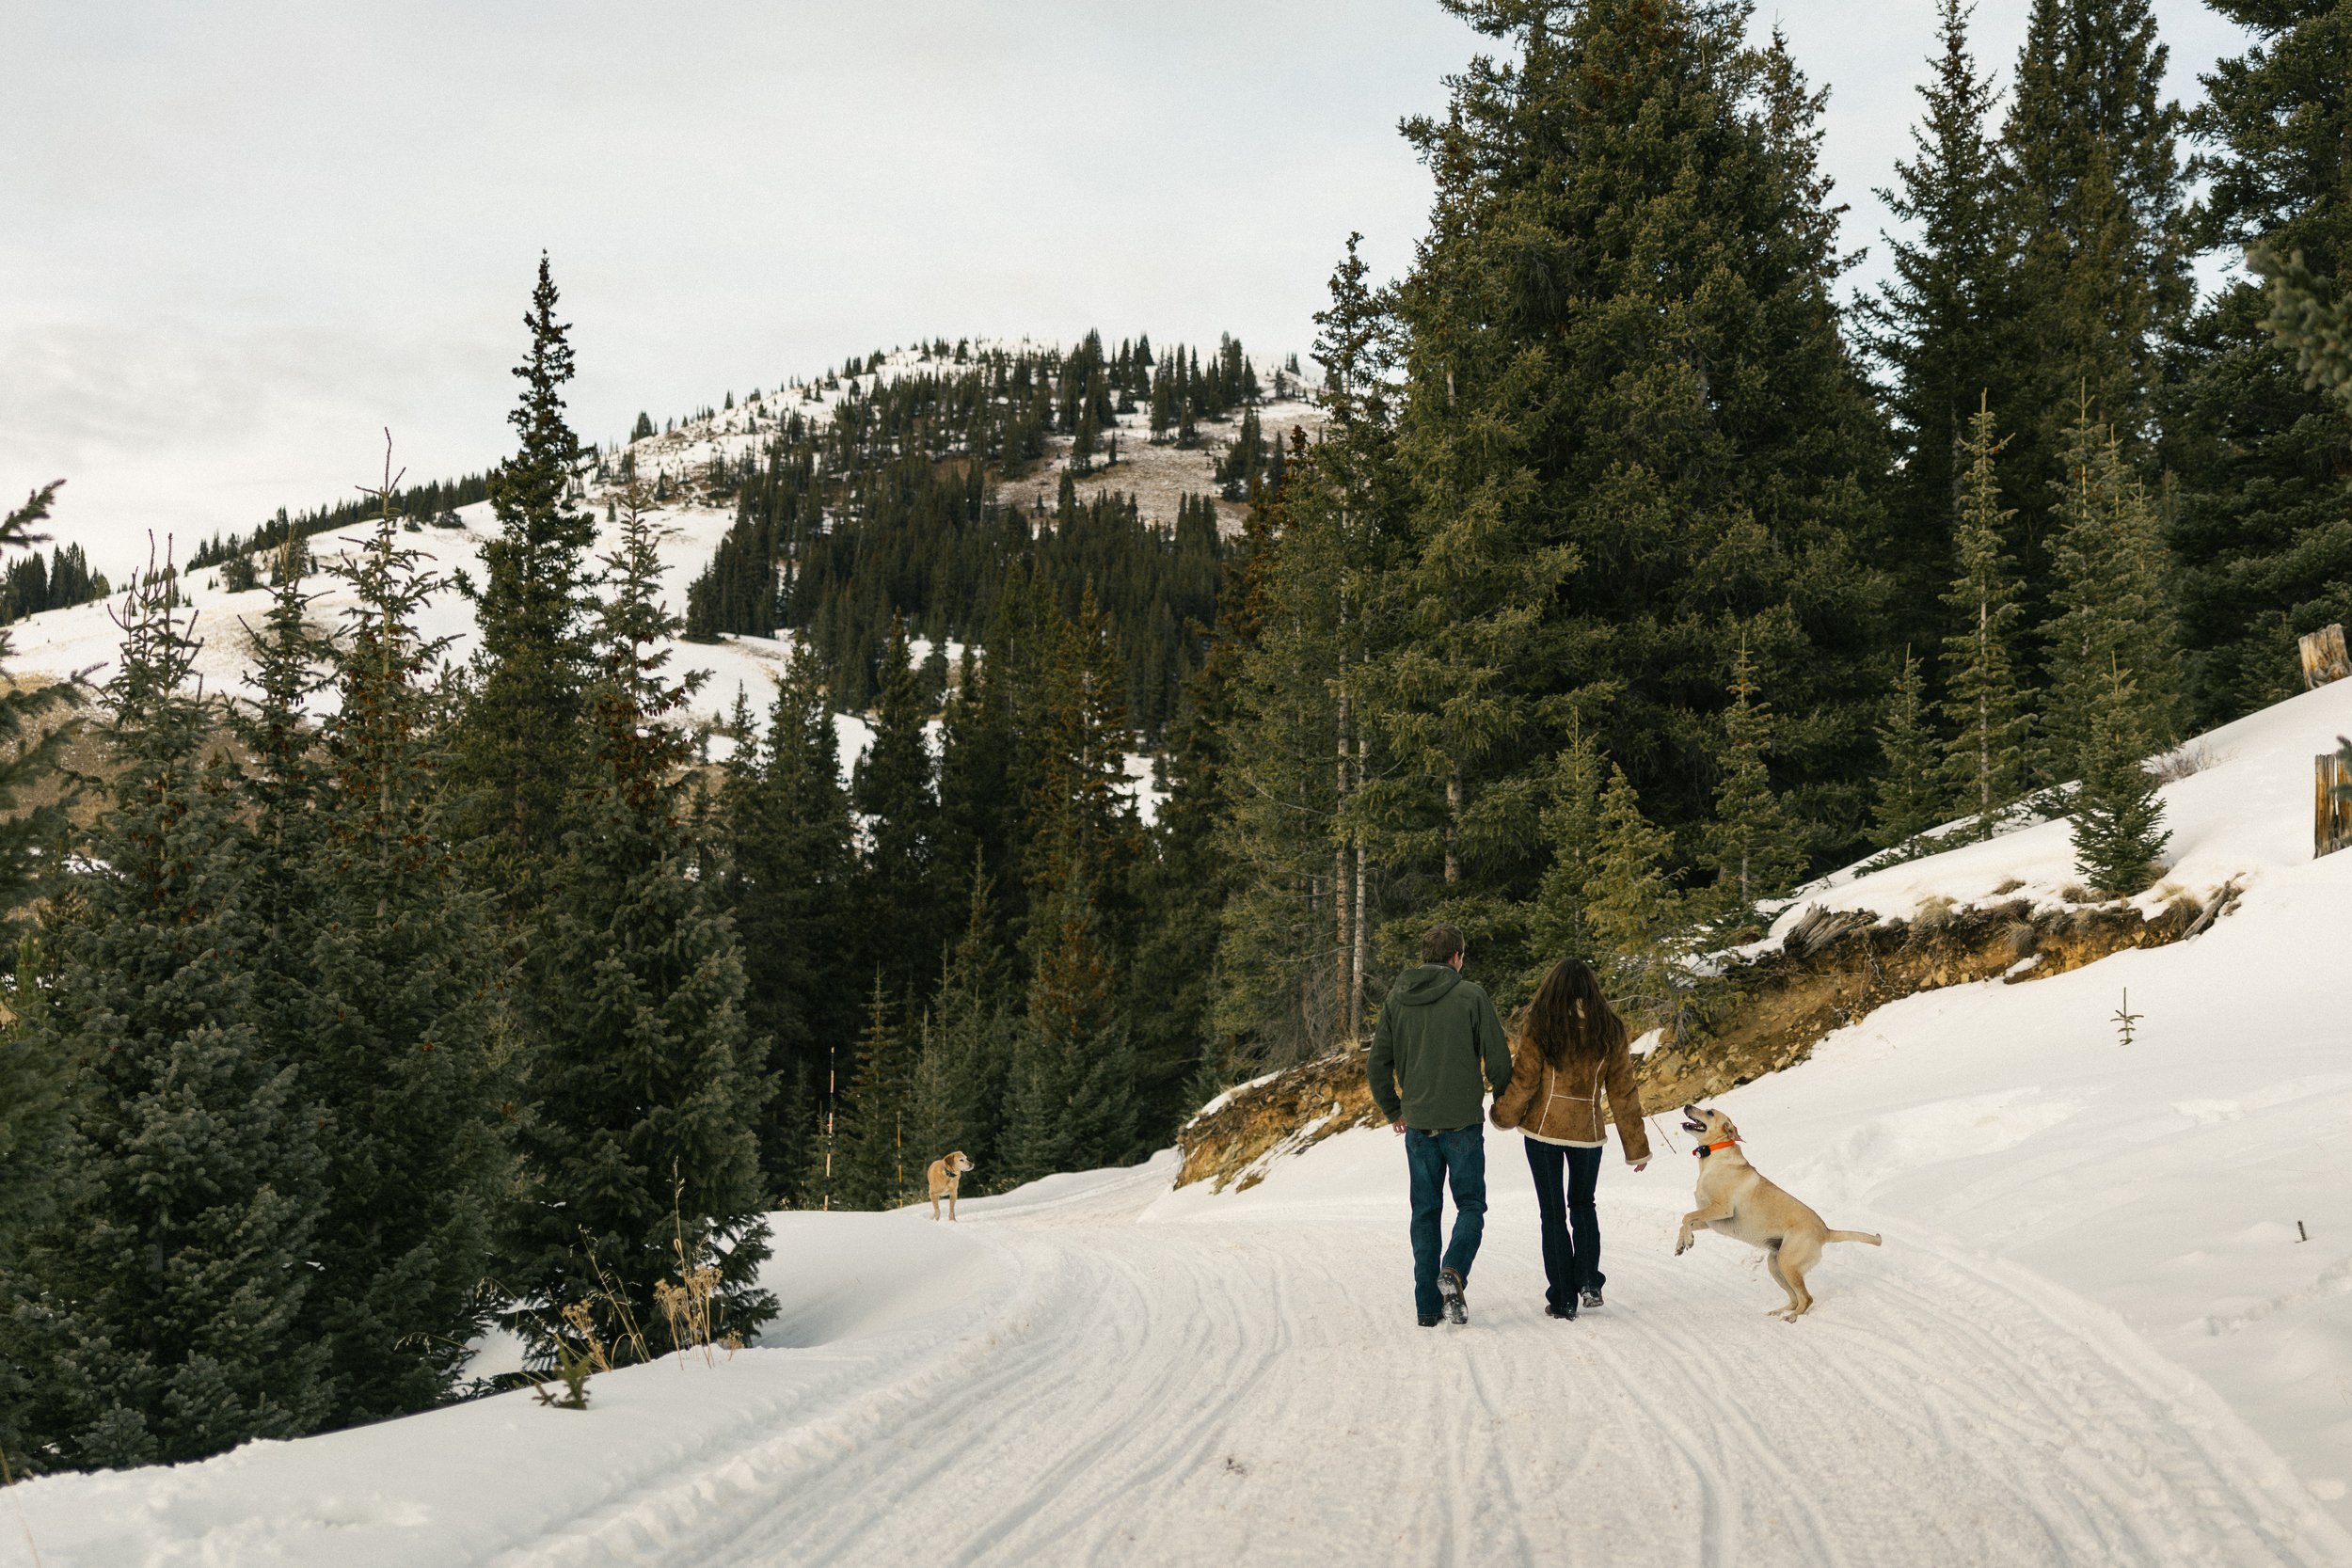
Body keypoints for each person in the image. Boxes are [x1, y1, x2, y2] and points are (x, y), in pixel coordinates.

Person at [1366, 922, 1513, 1327]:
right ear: (1456, 957)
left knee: (1425, 1213)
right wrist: (1504, 1101)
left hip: (1418, 1127)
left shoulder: (1397, 1000)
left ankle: (1428, 1308)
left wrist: (1393, 1108)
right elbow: (1498, 1058)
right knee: (1470, 1205)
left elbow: (1377, 1062)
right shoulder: (1471, 995)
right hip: (1463, 1125)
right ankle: (1453, 1270)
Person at [1490, 957, 1650, 1321]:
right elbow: (1623, 1091)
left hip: (1543, 1131)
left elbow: (1525, 1081)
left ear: (1553, 987)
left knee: (1552, 1213)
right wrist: (1636, 1148)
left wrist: (1503, 1115)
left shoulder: (1543, 1025)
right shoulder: (1609, 1028)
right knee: (1583, 1206)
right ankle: (1590, 1281)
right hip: (1587, 1133)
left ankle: (1563, 1299)